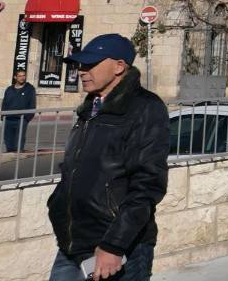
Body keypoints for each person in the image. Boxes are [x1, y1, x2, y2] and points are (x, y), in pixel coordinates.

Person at [48, 34, 170, 281]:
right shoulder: (90, 108)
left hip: (117, 248)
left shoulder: (145, 107)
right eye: (81, 65)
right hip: (72, 244)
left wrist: (114, 245)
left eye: (91, 64)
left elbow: (147, 185)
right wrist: (57, 205)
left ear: (119, 66)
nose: (82, 71)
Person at [1, 69, 36, 152]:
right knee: (9, 144)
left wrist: (26, 119)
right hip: (8, 120)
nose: (22, 78)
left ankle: (18, 161)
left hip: (21, 120)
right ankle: (10, 160)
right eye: (20, 76)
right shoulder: (9, 89)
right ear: (15, 77)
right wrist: (3, 117)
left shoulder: (30, 89)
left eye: (24, 75)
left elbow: (32, 105)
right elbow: (4, 103)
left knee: (18, 144)